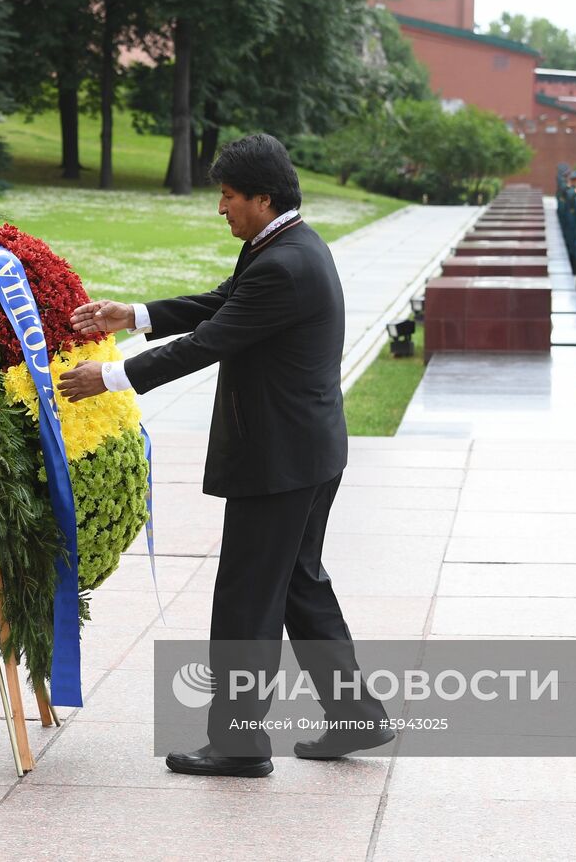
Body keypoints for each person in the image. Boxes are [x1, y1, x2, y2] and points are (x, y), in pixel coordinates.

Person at [57, 133, 388, 778]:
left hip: (279, 462)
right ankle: (355, 715)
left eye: (229, 196)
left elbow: (211, 339)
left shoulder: (283, 263)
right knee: (297, 584)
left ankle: (239, 742)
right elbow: (220, 304)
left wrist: (113, 377)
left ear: (263, 199)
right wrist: (134, 314)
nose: (221, 208)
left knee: (246, 597)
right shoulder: (284, 246)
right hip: (305, 452)